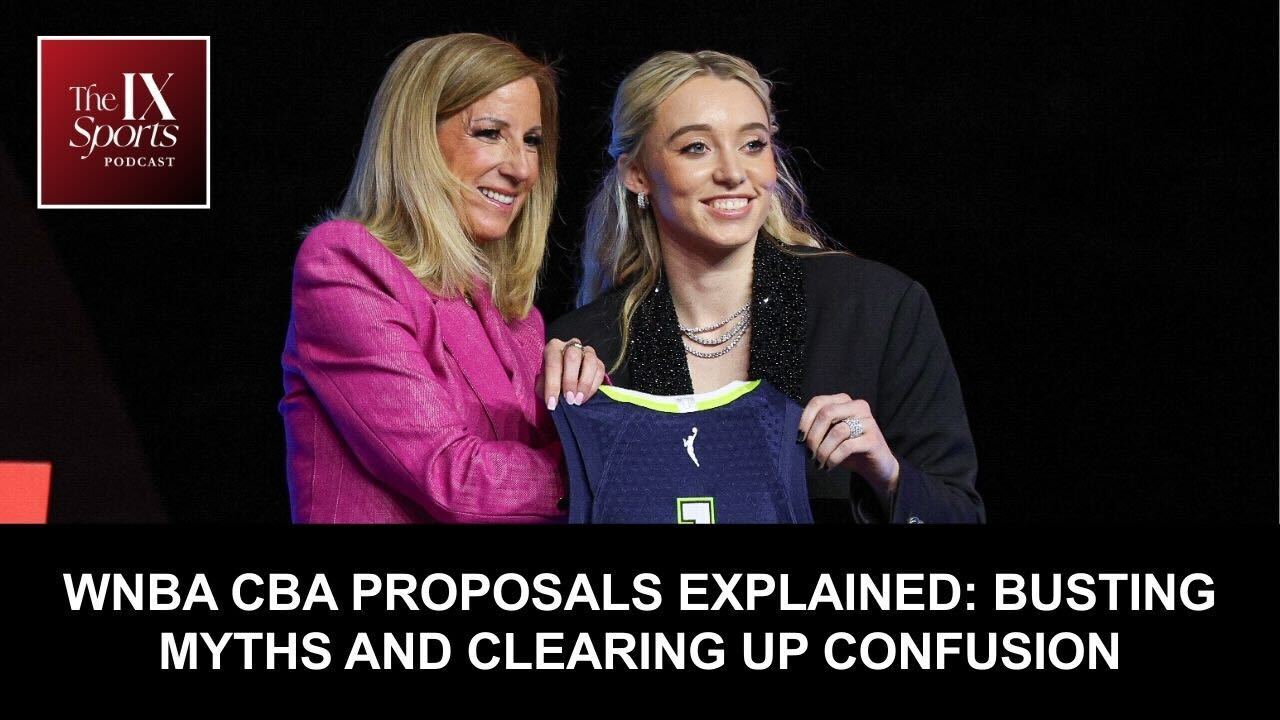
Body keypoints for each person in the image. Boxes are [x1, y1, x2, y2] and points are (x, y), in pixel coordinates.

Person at [549, 51, 983, 523]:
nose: (733, 173)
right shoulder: (590, 347)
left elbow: (960, 514)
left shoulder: (879, 307)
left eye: (753, 145)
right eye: (696, 147)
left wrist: (888, 475)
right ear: (637, 174)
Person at [281, 34, 605, 523]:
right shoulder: (346, 263)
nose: (520, 167)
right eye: (490, 132)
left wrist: (592, 400)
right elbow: (451, 478)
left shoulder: (519, 316)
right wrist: (607, 469)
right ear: (418, 138)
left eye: (532, 141)